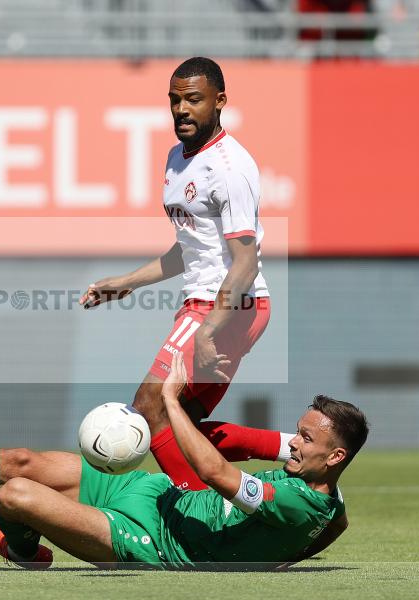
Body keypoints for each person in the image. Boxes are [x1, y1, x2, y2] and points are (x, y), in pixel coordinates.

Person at [0, 353, 369, 571]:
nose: (292, 445)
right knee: (19, 460)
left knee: (14, 497)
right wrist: (275, 559)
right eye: (296, 435)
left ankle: (20, 547)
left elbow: (216, 474)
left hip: (147, 541)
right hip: (159, 498)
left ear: (336, 455)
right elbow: (331, 523)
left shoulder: (300, 503)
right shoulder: (328, 500)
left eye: (304, 439)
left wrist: (171, 403)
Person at [78, 57, 276, 490]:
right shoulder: (176, 158)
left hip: (227, 305)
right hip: (210, 305)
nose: (181, 110)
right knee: (182, 426)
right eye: (174, 100)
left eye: (193, 99)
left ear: (220, 101)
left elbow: (245, 263)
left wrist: (207, 332)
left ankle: (207, 513)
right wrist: (125, 283)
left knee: (150, 406)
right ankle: (282, 450)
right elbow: (190, 249)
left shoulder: (231, 168)